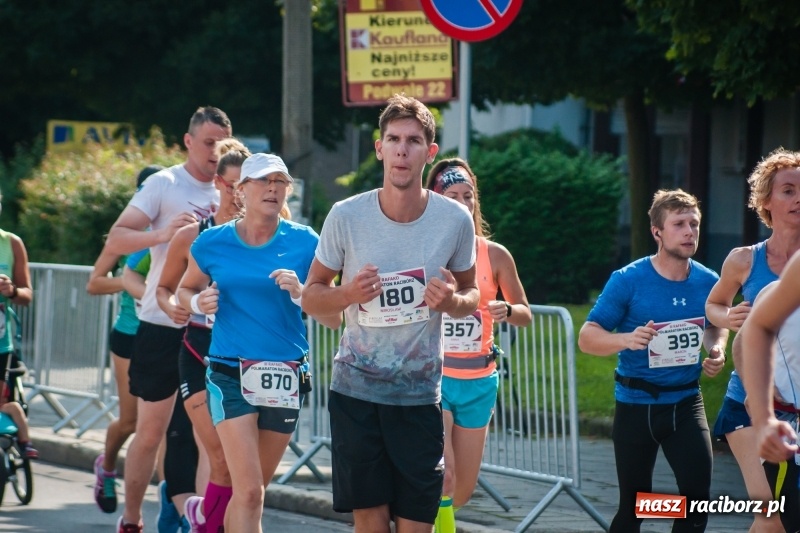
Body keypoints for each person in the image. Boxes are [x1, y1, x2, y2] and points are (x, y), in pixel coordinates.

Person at [302, 94, 480, 533]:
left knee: (417, 524)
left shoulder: (455, 220)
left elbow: (472, 291)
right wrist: (348, 293)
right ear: (379, 148)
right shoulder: (346, 215)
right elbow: (311, 296)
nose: (402, 150)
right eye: (394, 139)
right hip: (356, 391)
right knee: (371, 522)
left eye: (414, 141)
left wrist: (450, 302)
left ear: (429, 152)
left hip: (419, 397)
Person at [176, 152, 341, 532]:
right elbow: (185, 289)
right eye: (263, 180)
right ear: (240, 191)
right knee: (248, 493)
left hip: (285, 373)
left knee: (253, 492)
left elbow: (334, 318)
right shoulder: (212, 242)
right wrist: (197, 302)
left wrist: (303, 295)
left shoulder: (305, 243)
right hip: (229, 372)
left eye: (280, 181)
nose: (272, 188)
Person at [104, 106, 231, 533]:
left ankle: (202, 524)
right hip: (162, 323)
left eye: (223, 143)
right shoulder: (164, 184)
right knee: (150, 431)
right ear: (189, 141)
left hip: (212, 330)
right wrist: (163, 233)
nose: (216, 151)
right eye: (209, 142)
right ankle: (132, 517)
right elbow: (118, 238)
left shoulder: (234, 189)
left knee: (208, 439)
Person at [577, 189, 728, 532]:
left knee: (696, 503)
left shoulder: (708, 281)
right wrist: (626, 339)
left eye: (695, 223)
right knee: (635, 506)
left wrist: (716, 349)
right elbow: (587, 337)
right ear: (657, 232)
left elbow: (716, 327)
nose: (690, 231)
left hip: (686, 402)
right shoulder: (628, 280)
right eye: (679, 224)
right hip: (636, 404)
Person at [423, 158, 531, 531]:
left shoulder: (495, 254)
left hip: (480, 381)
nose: (462, 202)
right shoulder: (424, 250)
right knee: (445, 477)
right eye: (452, 195)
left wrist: (508, 309)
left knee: (462, 490)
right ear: (435, 200)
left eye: (467, 195)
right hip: (434, 382)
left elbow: (526, 313)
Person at [705, 147, 800, 532]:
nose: (798, 199)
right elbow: (713, 306)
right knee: (770, 513)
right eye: (788, 190)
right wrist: (729, 317)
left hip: (797, 402)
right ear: (766, 201)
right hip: (749, 403)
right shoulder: (744, 260)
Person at [156, 139, 248, 533]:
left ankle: (202, 513)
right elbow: (165, 288)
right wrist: (178, 305)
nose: (241, 195)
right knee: (219, 456)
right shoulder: (196, 235)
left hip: (248, 358)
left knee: (236, 467)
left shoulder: (268, 237)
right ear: (218, 184)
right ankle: (204, 523)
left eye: (250, 185)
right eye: (234, 186)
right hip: (198, 354)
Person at [86, 164, 162, 514]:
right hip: (131, 335)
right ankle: (108, 466)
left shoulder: (182, 228)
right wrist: (132, 281)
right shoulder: (131, 234)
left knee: (168, 428)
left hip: (168, 334)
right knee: (132, 421)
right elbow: (94, 283)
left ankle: (172, 506)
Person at [739, 277, 800, 532]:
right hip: (787, 423)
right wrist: (761, 403)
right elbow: (743, 341)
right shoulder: (787, 284)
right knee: (778, 523)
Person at [0, 190, 34, 459]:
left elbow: (27, 295)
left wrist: (11, 290)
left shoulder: (11, 243)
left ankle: (22, 443)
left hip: (2, 343)